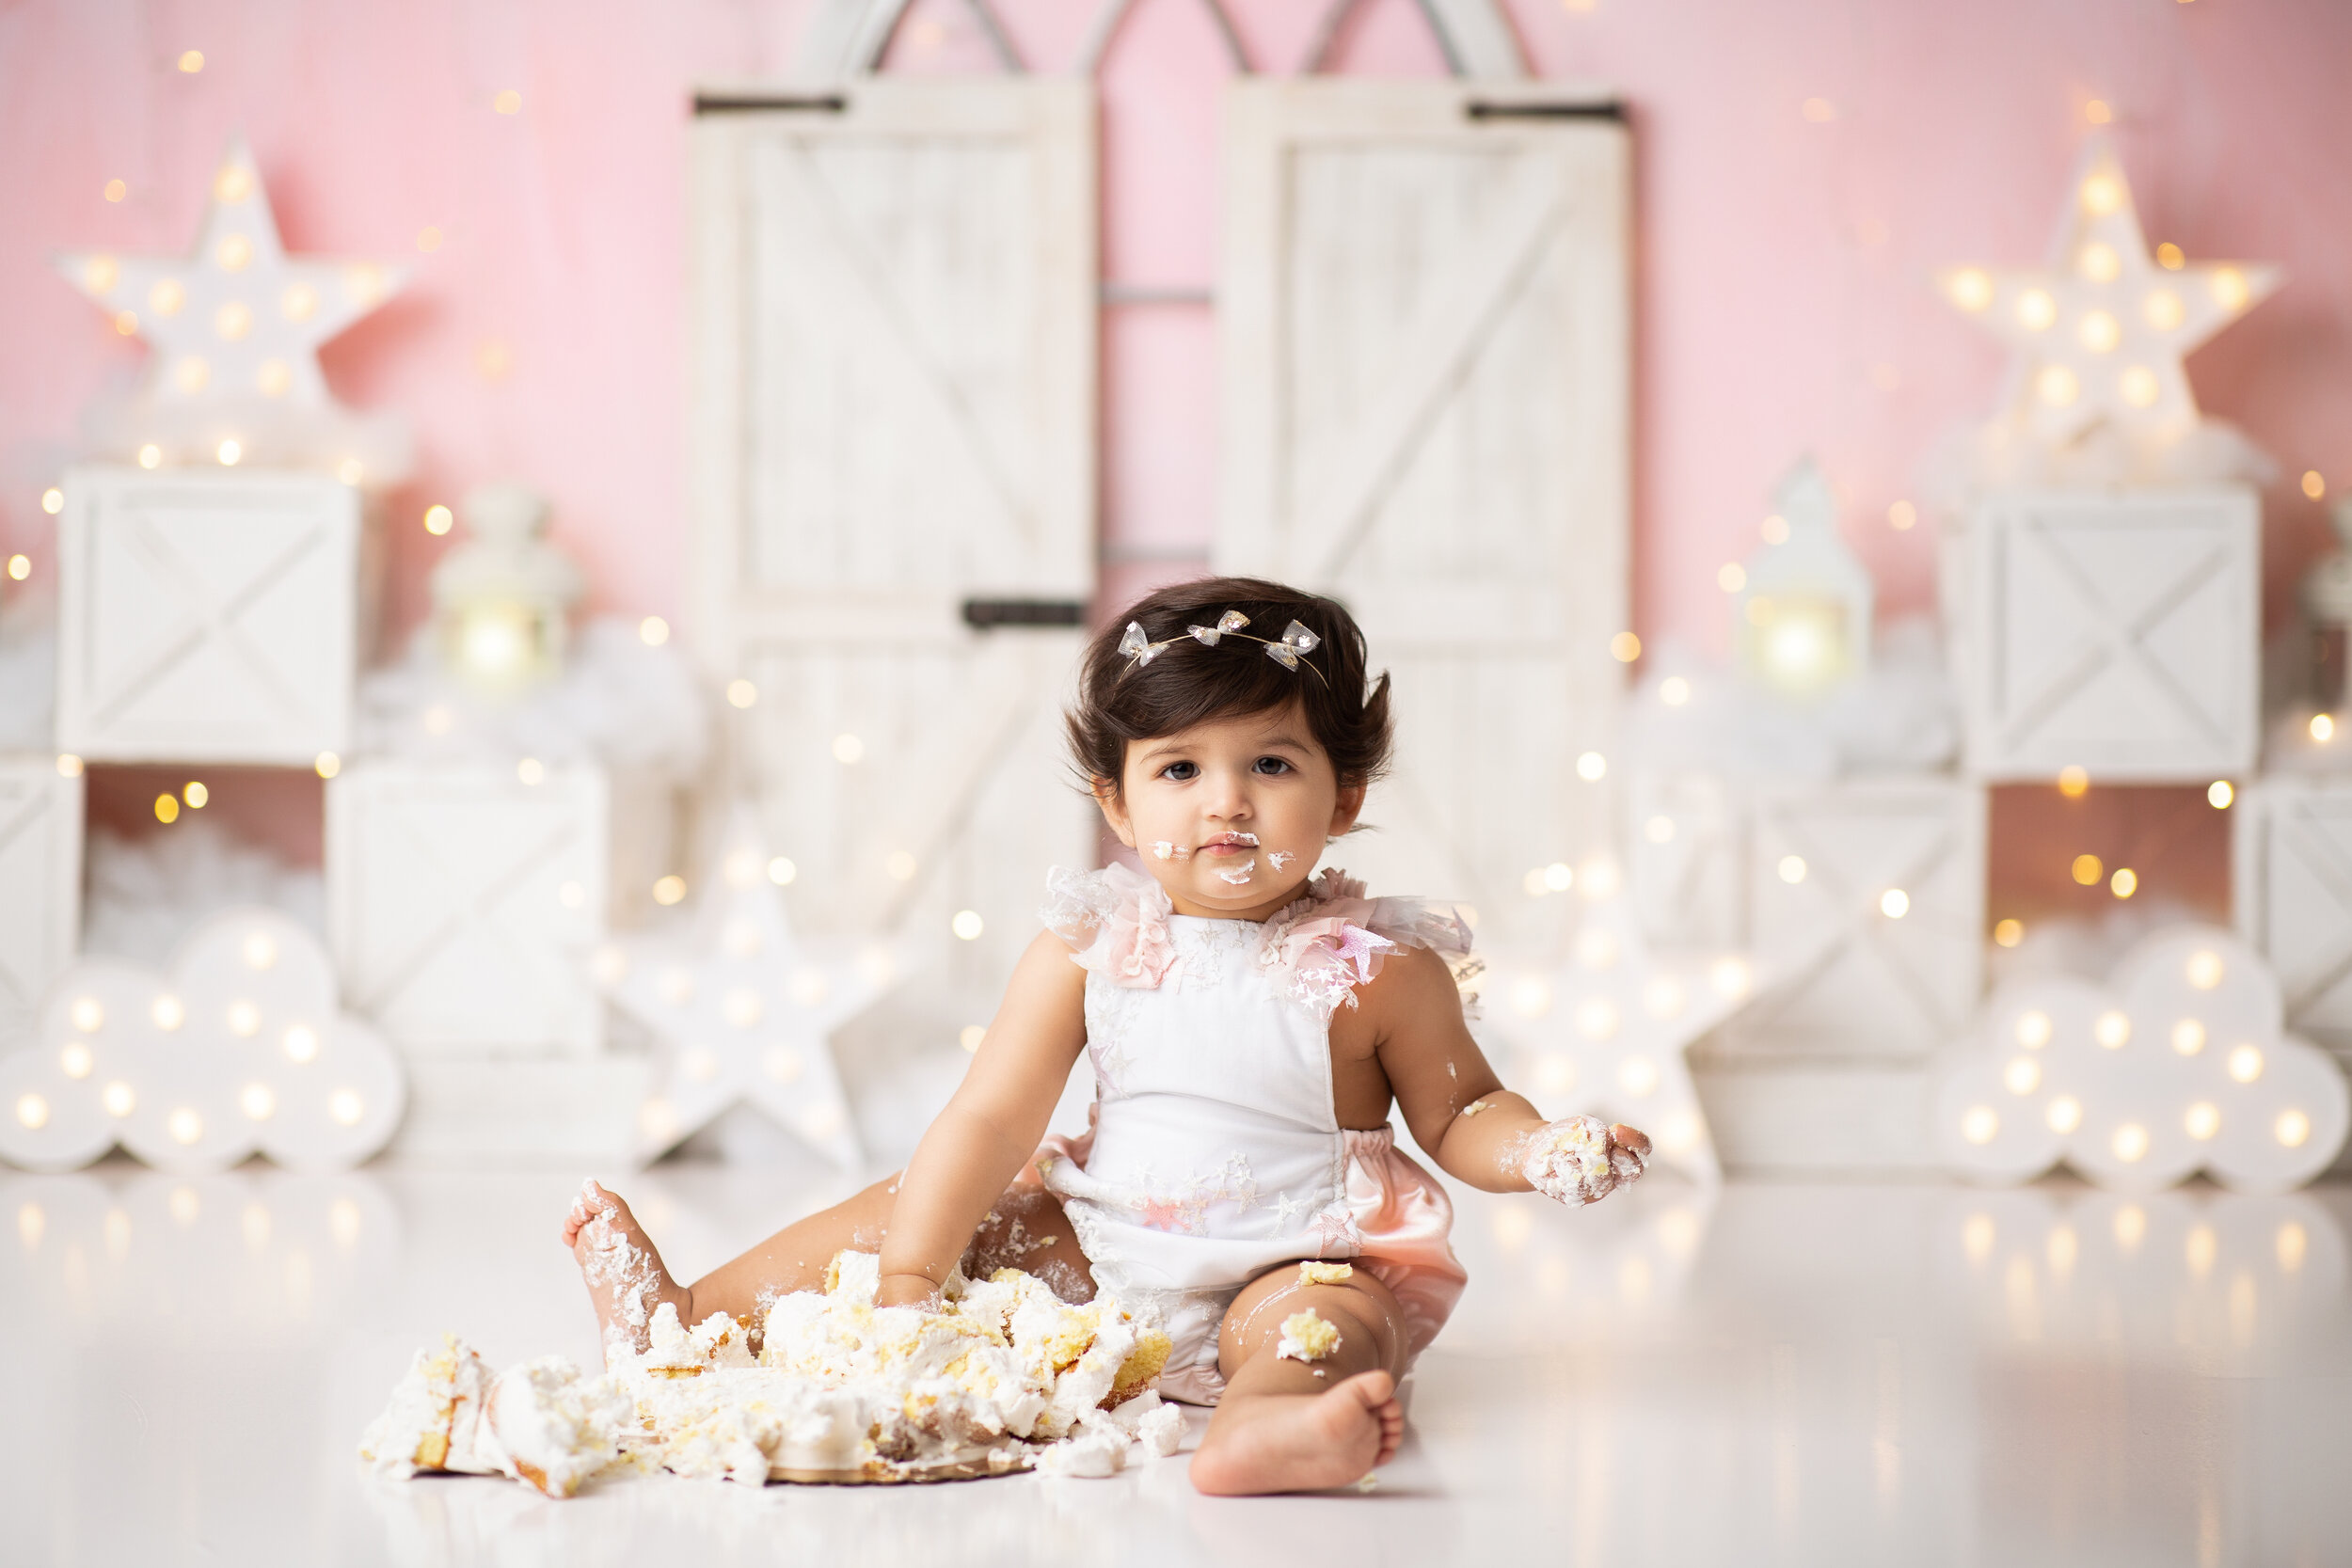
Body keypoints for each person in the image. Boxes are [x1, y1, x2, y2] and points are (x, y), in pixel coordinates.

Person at [561, 576, 1651, 1496]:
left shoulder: (1380, 964)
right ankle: (685, 1317)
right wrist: (909, 1280)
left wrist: (1537, 1145)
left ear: (1345, 789)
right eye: (1180, 769)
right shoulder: (1090, 947)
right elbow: (989, 1116)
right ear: (1120, 804)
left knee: (1327, 1325)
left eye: (1270, 765)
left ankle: (1263, 1430)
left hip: (1296, 1251)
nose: (1225, 802)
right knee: (913, 1203)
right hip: (1101, 1253)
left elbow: (1460, 1110)